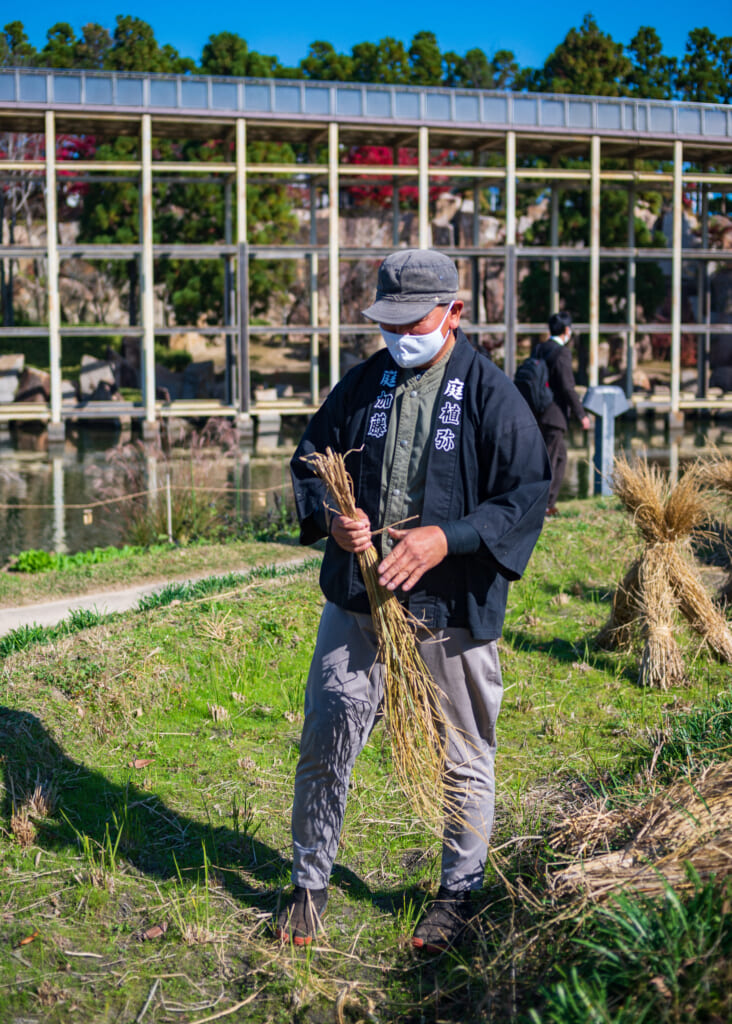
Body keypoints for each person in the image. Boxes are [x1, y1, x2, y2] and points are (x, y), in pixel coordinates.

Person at [279, 249, 551, 952]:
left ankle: (459, 894)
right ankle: (310, 884)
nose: (399, 336)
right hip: (360, 601)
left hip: (450, 608)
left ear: (454, 313)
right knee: (328, 731)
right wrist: (333, 521)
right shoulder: (364, 383)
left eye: (414, 321)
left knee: (463, 752)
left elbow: (525, 494)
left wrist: (450, 538)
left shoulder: (492, 394)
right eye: (387, 323)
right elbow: (313, 457)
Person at [532, 312, 591, 516]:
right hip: (554, 414)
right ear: (567, 331)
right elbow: (567, 387)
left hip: (537, 411)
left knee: (559, 457)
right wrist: (581, 414)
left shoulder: (539, 349)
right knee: (550, 459)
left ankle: (549, 502)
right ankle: (543, 507)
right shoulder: (562, 353)